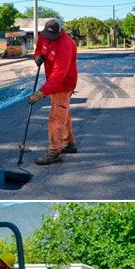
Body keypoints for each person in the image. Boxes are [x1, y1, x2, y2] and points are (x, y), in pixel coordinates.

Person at [28, 18, 79, 166]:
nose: (49, 38)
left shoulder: (66, 44)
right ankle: (68, 143)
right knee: (63, 112)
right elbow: (39, 48)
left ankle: (54, 152)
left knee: (56, 117)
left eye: (53, 36)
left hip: (63, 84)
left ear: (60, 31)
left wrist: (41, 93)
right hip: (53, 80)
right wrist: (37, 56)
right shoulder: (43, 35)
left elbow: (59, 75)